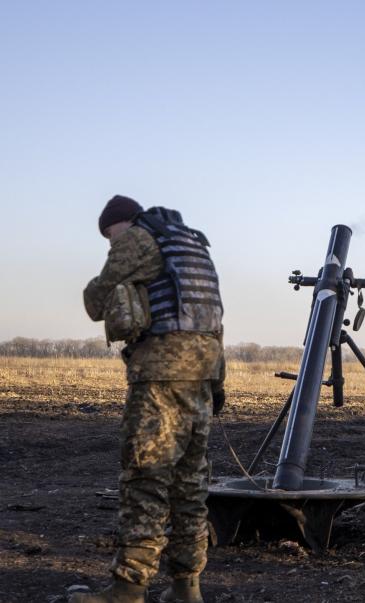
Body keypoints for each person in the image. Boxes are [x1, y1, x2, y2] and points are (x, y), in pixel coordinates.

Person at [75, 196, 226, 603]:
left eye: (109, 235)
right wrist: (218, 381)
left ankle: (128, 588)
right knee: (189, 484)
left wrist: (115, 285)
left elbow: (96, 300)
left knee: (146, 476)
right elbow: (213, 315)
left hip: (161, 372)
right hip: (203, 371)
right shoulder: (192, 243)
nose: (111, 244)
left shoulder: (138, 239)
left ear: (120, 222)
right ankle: (186, 586)